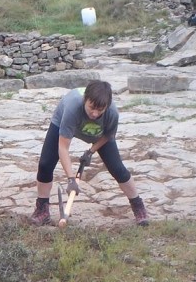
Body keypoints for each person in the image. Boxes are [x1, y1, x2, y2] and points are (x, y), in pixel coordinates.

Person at [30, 81, 149, 226]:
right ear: (85, 99)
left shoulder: (112, 113)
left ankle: (138, 206)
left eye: (100, 110)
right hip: (64, 122)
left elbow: (107, 136)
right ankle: (42, 209)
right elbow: (63, 147)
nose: (95, 113)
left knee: (117, 168)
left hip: (98, 134)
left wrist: (91, 151)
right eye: (92, 108)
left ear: (107, 106)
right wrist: (71, 179)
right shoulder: (72, 107)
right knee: (45, 164)